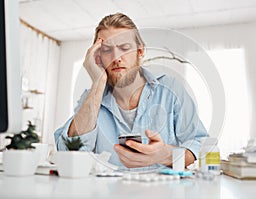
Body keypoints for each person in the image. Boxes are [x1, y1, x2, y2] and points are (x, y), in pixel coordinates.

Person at [54, 13, 208, 170]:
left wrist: (165, 155)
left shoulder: (170, 90)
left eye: (124, 48)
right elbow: (68, 151)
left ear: (140, 52)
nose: (116, 58)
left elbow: (199, 144)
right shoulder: (91, 98)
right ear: (98, 58)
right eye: (107, 50)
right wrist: (98, 83)